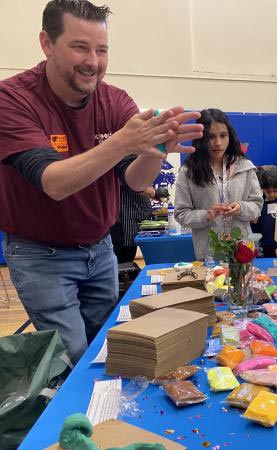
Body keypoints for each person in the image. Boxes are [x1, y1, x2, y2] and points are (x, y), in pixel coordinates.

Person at [0, 0, 202, 363]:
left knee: (109, 351)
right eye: (80, 47)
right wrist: (123, 141)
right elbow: (54, 183)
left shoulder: (115, 100)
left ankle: (105, 416)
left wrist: (156, 151)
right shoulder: (13, 99)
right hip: (40, 255)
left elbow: (135, 179)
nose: (93, 61)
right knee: (72, 357)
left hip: (100, 248)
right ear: (47, 43)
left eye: (101, 50)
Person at [175, 108, 263, 260]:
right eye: (211, 137)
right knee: (212, 284)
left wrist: (241, 208)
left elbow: (257, 205)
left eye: (223, 135)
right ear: (201, 138)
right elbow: (181, 214)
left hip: (242, 252)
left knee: (243, 283)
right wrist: (206, 215)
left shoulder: (245, 166)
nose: (218, 143)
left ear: (230, 135)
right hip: (208, 253)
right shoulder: (189, 171)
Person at [110, 184, 154, 263]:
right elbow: (130, 182)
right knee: (123, 261)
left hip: (137, 216)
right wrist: (154, 192)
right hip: (123, 221)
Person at [251, 167, 277, 257]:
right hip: (264, 248)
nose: (272, 194)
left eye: (275, 191)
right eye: (268, 191)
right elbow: (254, 228)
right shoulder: (259, 206)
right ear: (262, 189)